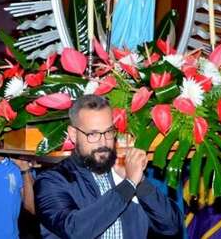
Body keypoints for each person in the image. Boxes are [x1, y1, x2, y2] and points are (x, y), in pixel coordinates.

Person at [35, 95, 181, 238]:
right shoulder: (51, 181)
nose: (103, 143)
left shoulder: (125, 172)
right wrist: (128, 186)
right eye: (93, 134)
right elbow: (75, 231)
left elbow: (171, 226)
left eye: (109, 132)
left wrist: (140, 183)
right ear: (73, 134)